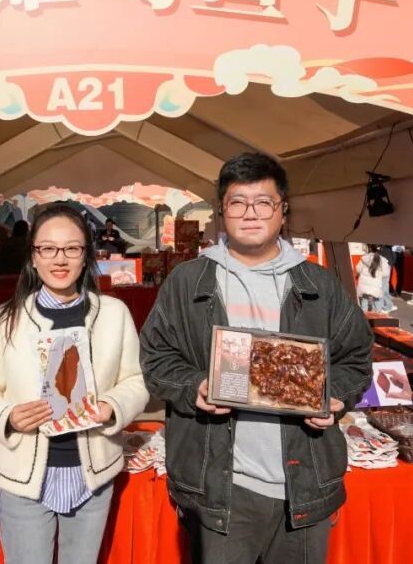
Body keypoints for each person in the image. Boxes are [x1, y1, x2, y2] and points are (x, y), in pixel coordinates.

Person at [139, 152, 373, 564]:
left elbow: (356, 358)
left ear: (283, 211)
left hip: (304, 484)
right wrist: (195, 387)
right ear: (221, 211)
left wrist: (332, 396)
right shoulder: (187, 282)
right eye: (237, 202)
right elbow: (156, 357)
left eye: (263, 202)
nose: (250, 213)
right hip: (221, 488)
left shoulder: (319, 285)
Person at [0, 205, 149, 564]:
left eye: (72, 248)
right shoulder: (4, 320)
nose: (59, 259)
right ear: (33, 257)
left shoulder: (113, 315)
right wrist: (8, 417)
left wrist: (113, 406)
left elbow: (136, 379)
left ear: (86, 255)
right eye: (47, 248)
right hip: (24, 478)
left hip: (92, 478)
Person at [356, 245, 391, 314]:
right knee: (377, 300)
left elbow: (358, 269)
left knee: (365, 299)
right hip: (376, 285)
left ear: (369, 249)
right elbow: (386, 273)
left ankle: (363, 315)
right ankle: (378, 313)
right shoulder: (383, 260)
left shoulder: (364, 258)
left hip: (364, 284)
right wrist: (379, 274)